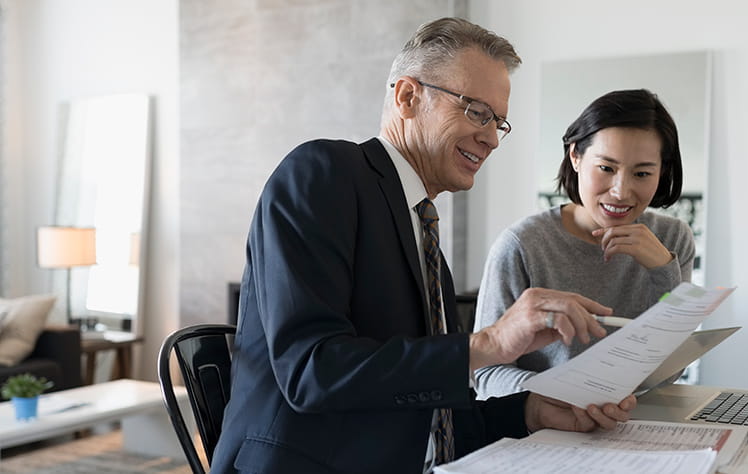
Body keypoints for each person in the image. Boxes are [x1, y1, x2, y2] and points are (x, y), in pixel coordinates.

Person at [210, 18, 636, 474]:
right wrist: (488, 342)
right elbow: (313, 372)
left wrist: (530, 411)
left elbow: (431, 415)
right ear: (407, 97)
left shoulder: (421, 224)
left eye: (498, 122)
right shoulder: (324, 173)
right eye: (476, 111)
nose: (491, 138)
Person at [473, 89, 696, 400]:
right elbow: (485, 373)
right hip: (546, 429)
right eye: (606, 168)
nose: (621, 192)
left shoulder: (672, 241)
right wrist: (563, 399)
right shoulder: (521, 245)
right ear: (575, 156)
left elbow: (667, 374)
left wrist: (663, 271)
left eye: (642, 173)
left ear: (663, 173)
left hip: (636, 424)